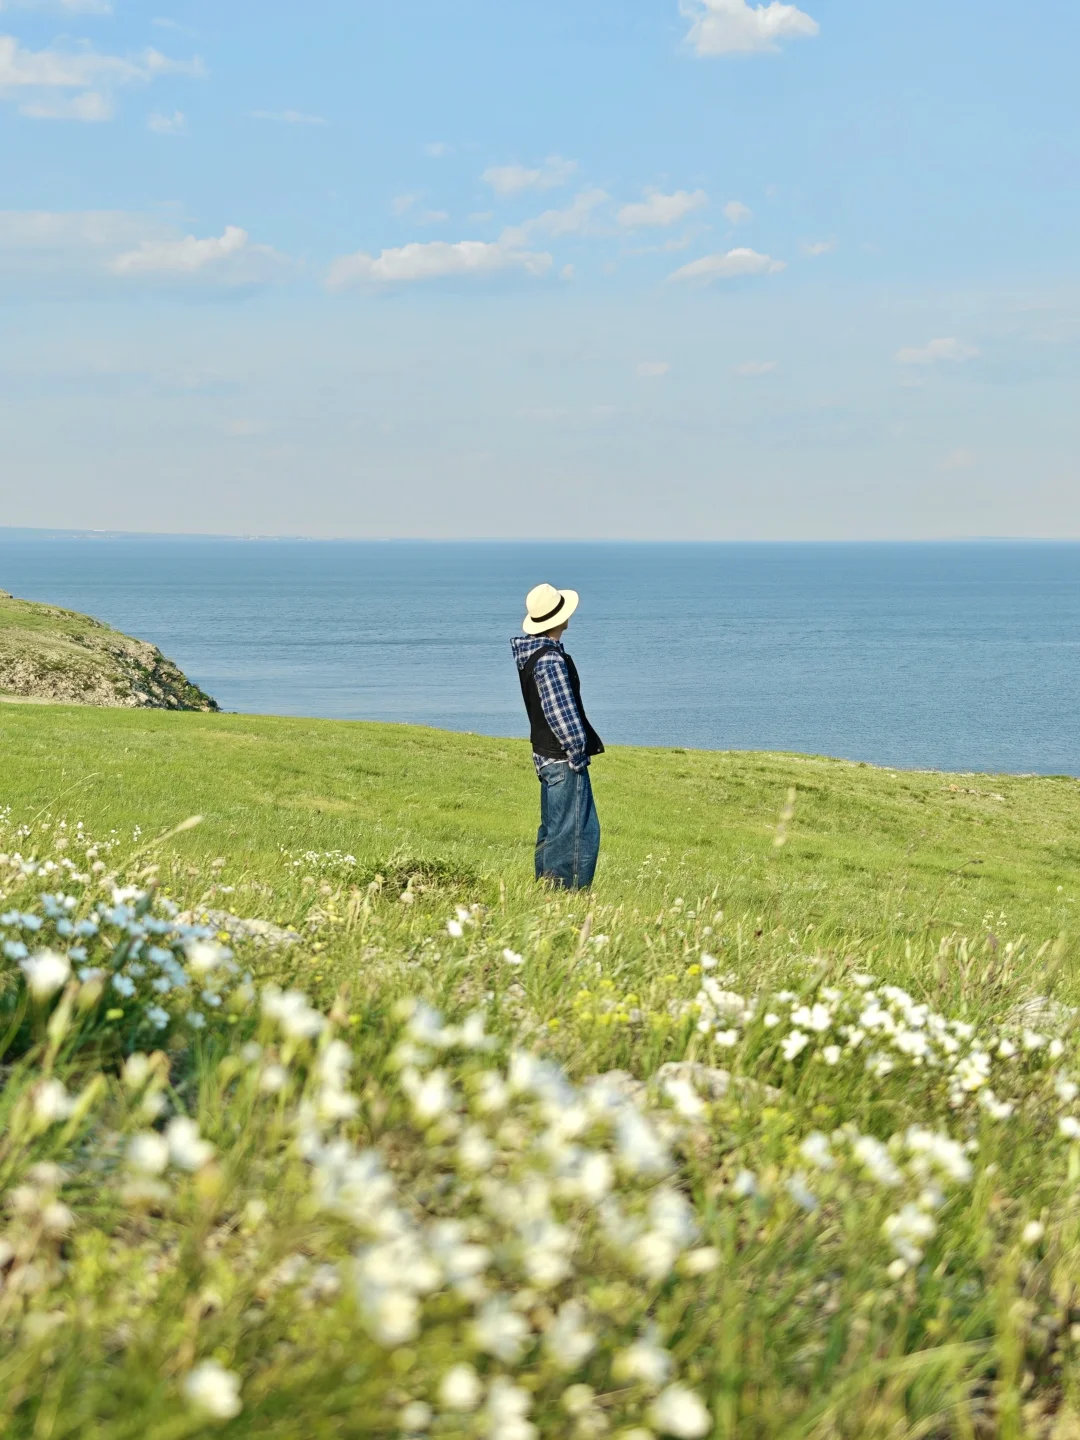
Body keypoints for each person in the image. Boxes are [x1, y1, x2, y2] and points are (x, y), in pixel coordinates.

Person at [511, 583, 604, 889]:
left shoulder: (532, 654)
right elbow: (561, 714)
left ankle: (545, 891)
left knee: (553, 829)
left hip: (544, 754)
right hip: (562, 757)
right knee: (577, 833)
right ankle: (564, 898)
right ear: (558, 619)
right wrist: (578, 753)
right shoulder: (550, 660)